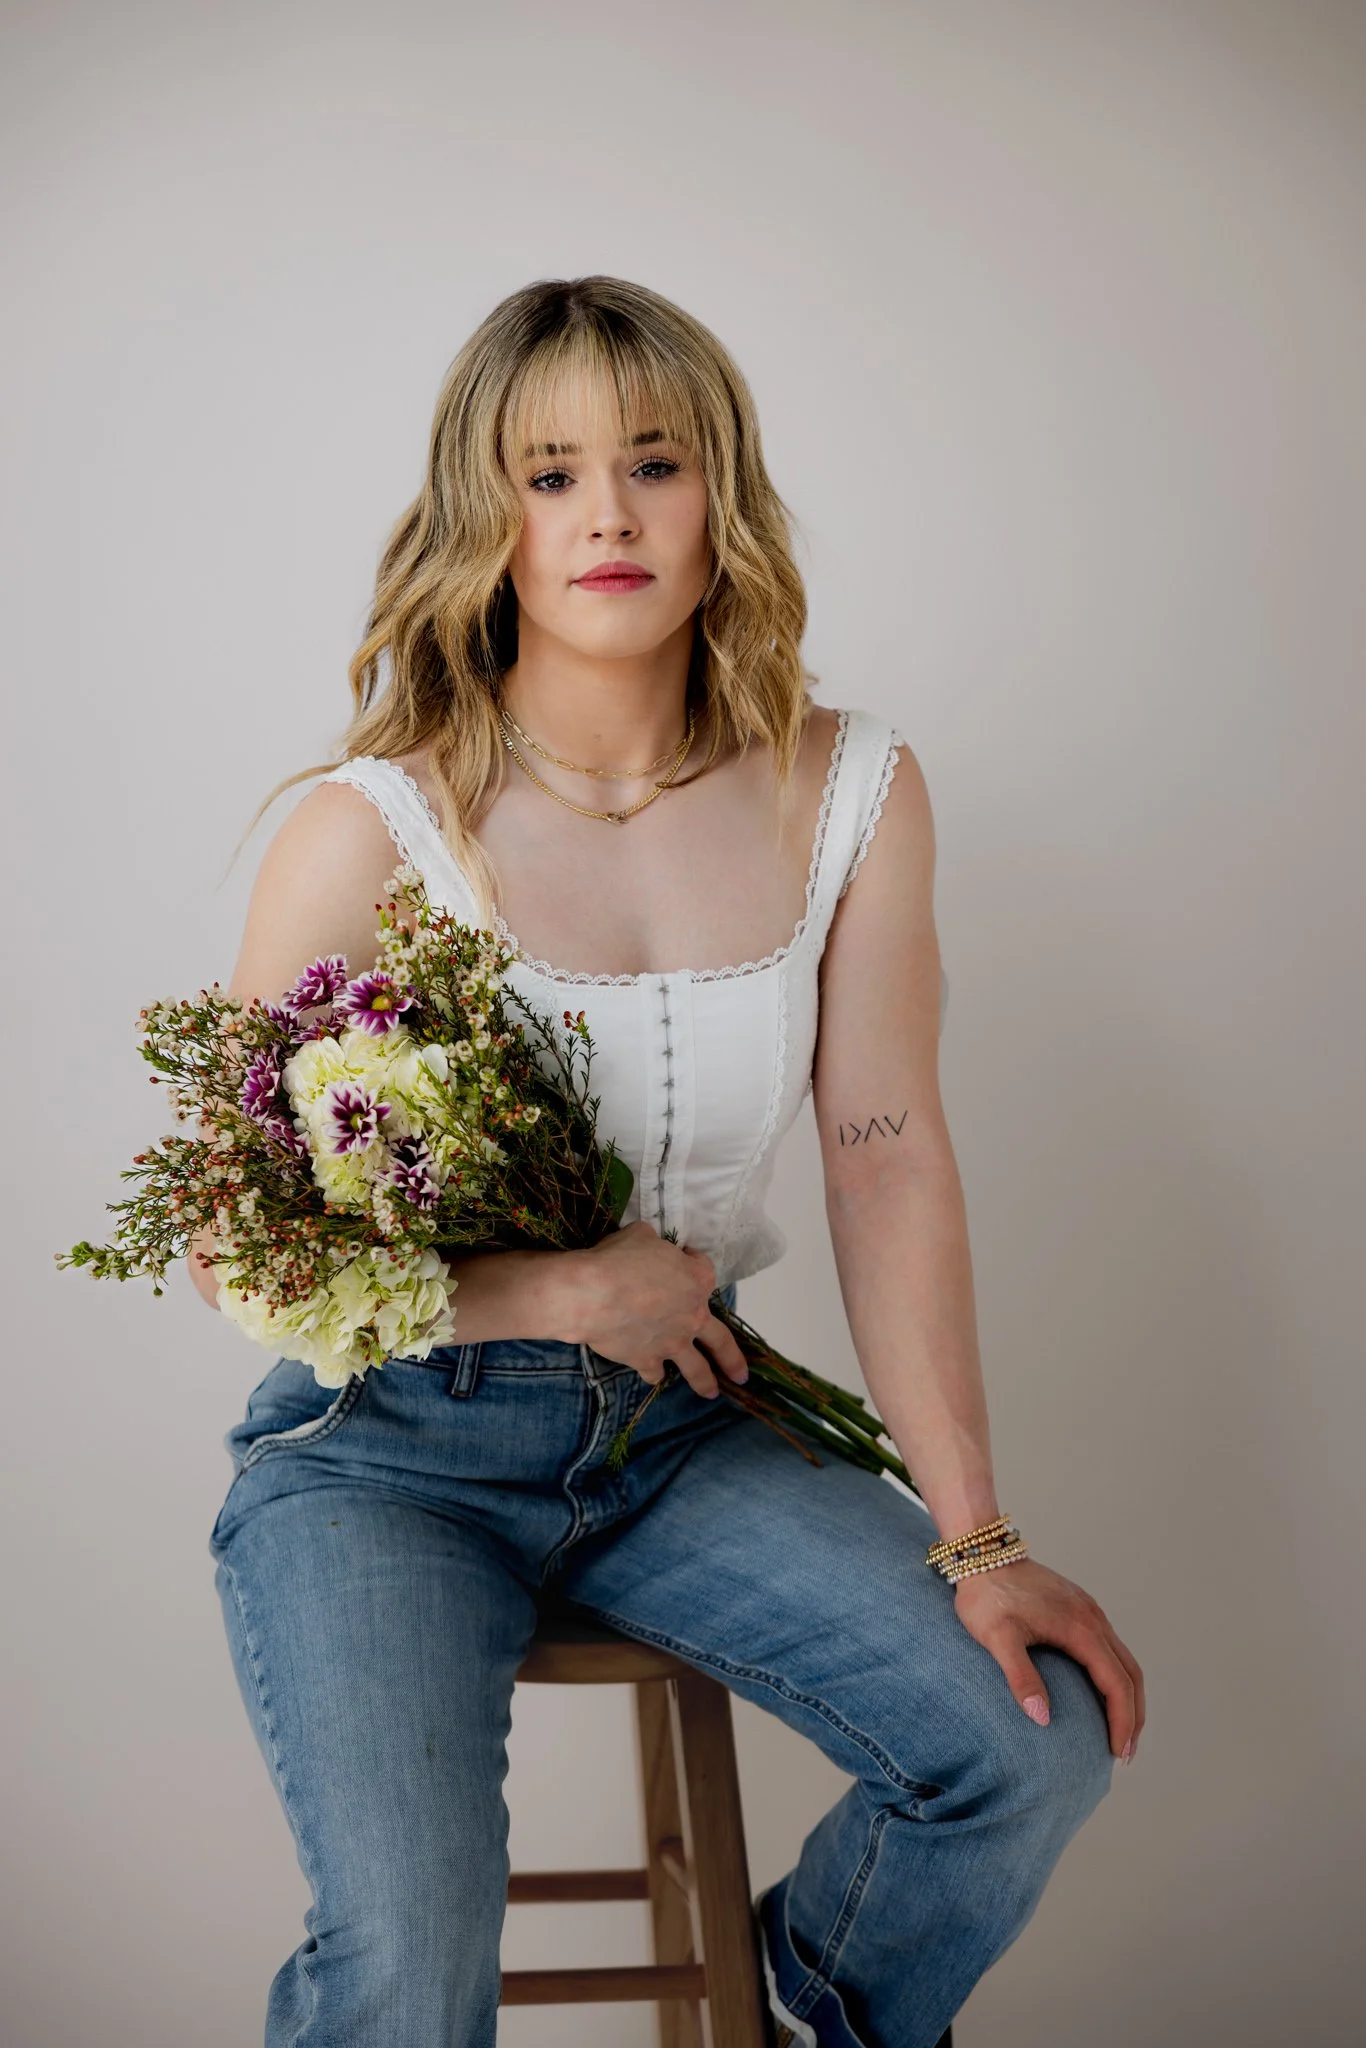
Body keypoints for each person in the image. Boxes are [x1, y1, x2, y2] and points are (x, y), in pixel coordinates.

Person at [198, 275, 1144, 2048]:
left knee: (1026, 1747)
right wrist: (554, 1286)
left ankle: (813, 1993)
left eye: (654, 461)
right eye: (550, 474)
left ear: (726, 492)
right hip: (384, 1458)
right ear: (487, 515)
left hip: (682, 1435)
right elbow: (233, 1252)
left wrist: (975, 1536)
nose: (610, 516)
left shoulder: (846, 787)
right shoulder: (372, 825)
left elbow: (884, 1158)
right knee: (407, 1969)